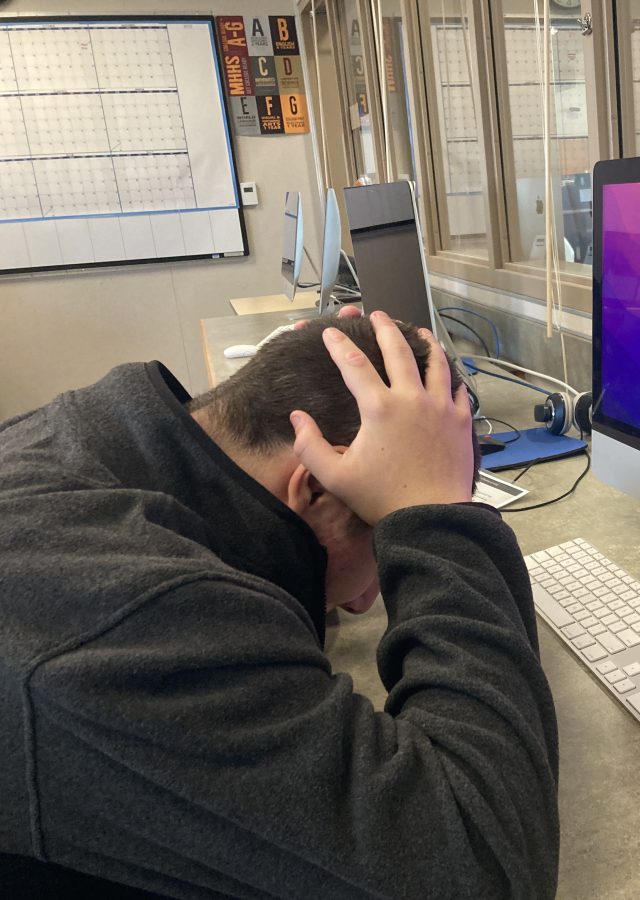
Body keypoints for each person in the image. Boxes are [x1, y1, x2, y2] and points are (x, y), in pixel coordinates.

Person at [0, 311, 559, 898]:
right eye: (384, 532)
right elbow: (488, 865)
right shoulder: (136, 614)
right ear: (315, 485)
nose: (370, 600)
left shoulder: (86, 436)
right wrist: (438, 523)